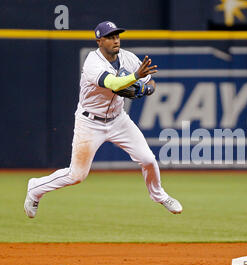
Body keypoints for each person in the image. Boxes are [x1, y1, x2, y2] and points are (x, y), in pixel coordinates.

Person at [24, 21, 183, 218]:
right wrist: (135, 77)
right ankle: (35, 188)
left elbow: (149, 80)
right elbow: (113, 83)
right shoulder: (93, 62)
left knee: (148, 159)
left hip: (119, 120)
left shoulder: (128, 57)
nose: (115, 40)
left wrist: (146, 88)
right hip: (90, 122)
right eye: (110, 37)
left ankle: (159, 196)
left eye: (117, 36)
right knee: (77, 175)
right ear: (99, 41)